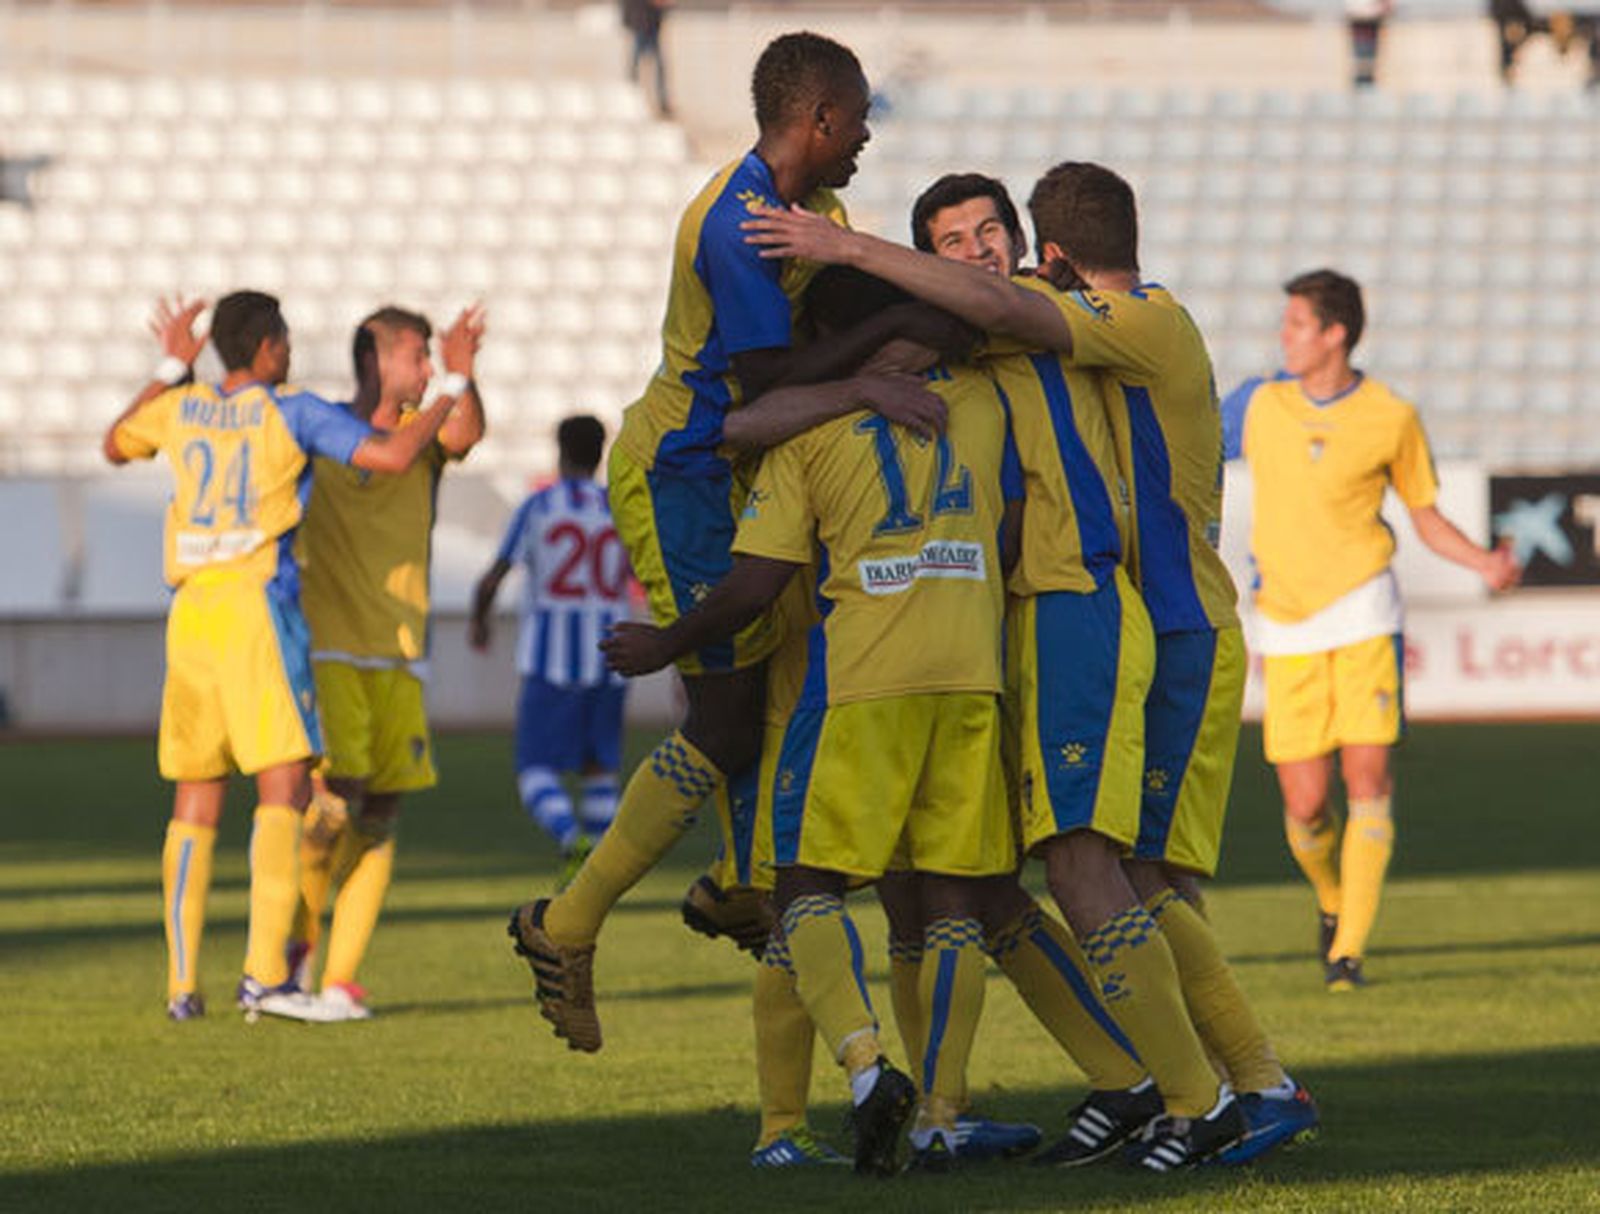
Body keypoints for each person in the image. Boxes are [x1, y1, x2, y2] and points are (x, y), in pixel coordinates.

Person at [743, 162, 1318, 1170]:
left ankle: (1216, 1087)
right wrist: (860, 366)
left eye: (987, 233)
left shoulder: (1068, 315)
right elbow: (772, 402)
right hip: (1011, 636)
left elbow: (968, 318)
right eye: (951, 244)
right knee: (1022, 883)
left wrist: (842, 252)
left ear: (1029, 243)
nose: (976, 254)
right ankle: (1134, 1079)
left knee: (1105, 868)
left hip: (1107, 610)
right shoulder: (987, 337)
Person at [505, 29, 960, 1056]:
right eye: (858, 116)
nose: (868, 135)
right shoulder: (736, 220)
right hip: (685, 472)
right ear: (821, 119)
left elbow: (802, 354)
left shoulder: (822, 215)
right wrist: (872, 366)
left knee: (770, 692)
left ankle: (741, 883)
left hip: (750, 467)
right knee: (724, 708)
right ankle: (566, 922)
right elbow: (762, 379)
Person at [604, 268, 1018, 1175]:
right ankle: (943, 1113)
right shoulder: (984, 407)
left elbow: (750, 578)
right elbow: (1013, 526)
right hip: (972, 673)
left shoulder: (811, 433)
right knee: (950, 901)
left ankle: (860, 1074)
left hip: (862, 680)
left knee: (801, 892)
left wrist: (667, 640)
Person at [101, 291, 463, 1022]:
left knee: (195, 799)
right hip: (259, 607)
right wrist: (449, 387)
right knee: (284, 789)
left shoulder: (183, 407)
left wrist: (173, 361)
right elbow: (393, 454)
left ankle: (180, 986)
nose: (292, 351)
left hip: (190, 612)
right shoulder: (287, 409)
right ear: (266, 346)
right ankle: (266, 976)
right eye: (286, 339)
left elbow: (114, 443)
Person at [1222, 269, 1520, 991]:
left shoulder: (1390, 414)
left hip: (1365, 615)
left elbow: (1424, 514)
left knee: (1367, 780)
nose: (1284, 337)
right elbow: (1186, 443)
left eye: (1296, 325)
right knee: (1305, 805)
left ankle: (1347, 952)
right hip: (1287, 626)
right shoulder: (1257, 403)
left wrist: (1483, 560)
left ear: (1335, 334)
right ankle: (1332, 899)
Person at [288, 304, 486, 1020]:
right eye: (418, 356)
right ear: (376, 360)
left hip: (403, 651)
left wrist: (464, 379)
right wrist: (454, 381)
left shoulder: (425, 429)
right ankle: (294, 951)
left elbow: (465, 431)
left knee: (383, 809)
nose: (428, 370)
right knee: (336, 800)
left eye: (433, 359)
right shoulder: (323, 432)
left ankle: (339, 981)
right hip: (331, 644)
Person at [470, 415, 630, 887]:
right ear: (601, 453)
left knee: (534, 769)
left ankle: (569, 837)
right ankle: (598, 871)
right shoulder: (619, 507)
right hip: (611, 656)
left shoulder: (541, 506)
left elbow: (494, 575)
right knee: (600, 767)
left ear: (559, 452)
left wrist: (480, 621)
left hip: (551, 661)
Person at [621, 0, 672, 117]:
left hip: (649, 23)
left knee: (646, 65)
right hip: (644, 23)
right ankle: (633, 96)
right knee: (645, 66)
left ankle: (659, 100)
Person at [1346, 0, 1393, 88]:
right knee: (1362, 63)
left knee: (1369, 63)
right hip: (1359, 24)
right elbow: (1355, 9)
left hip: (1373, 25)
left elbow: (1386, 7)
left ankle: (1367, 82)